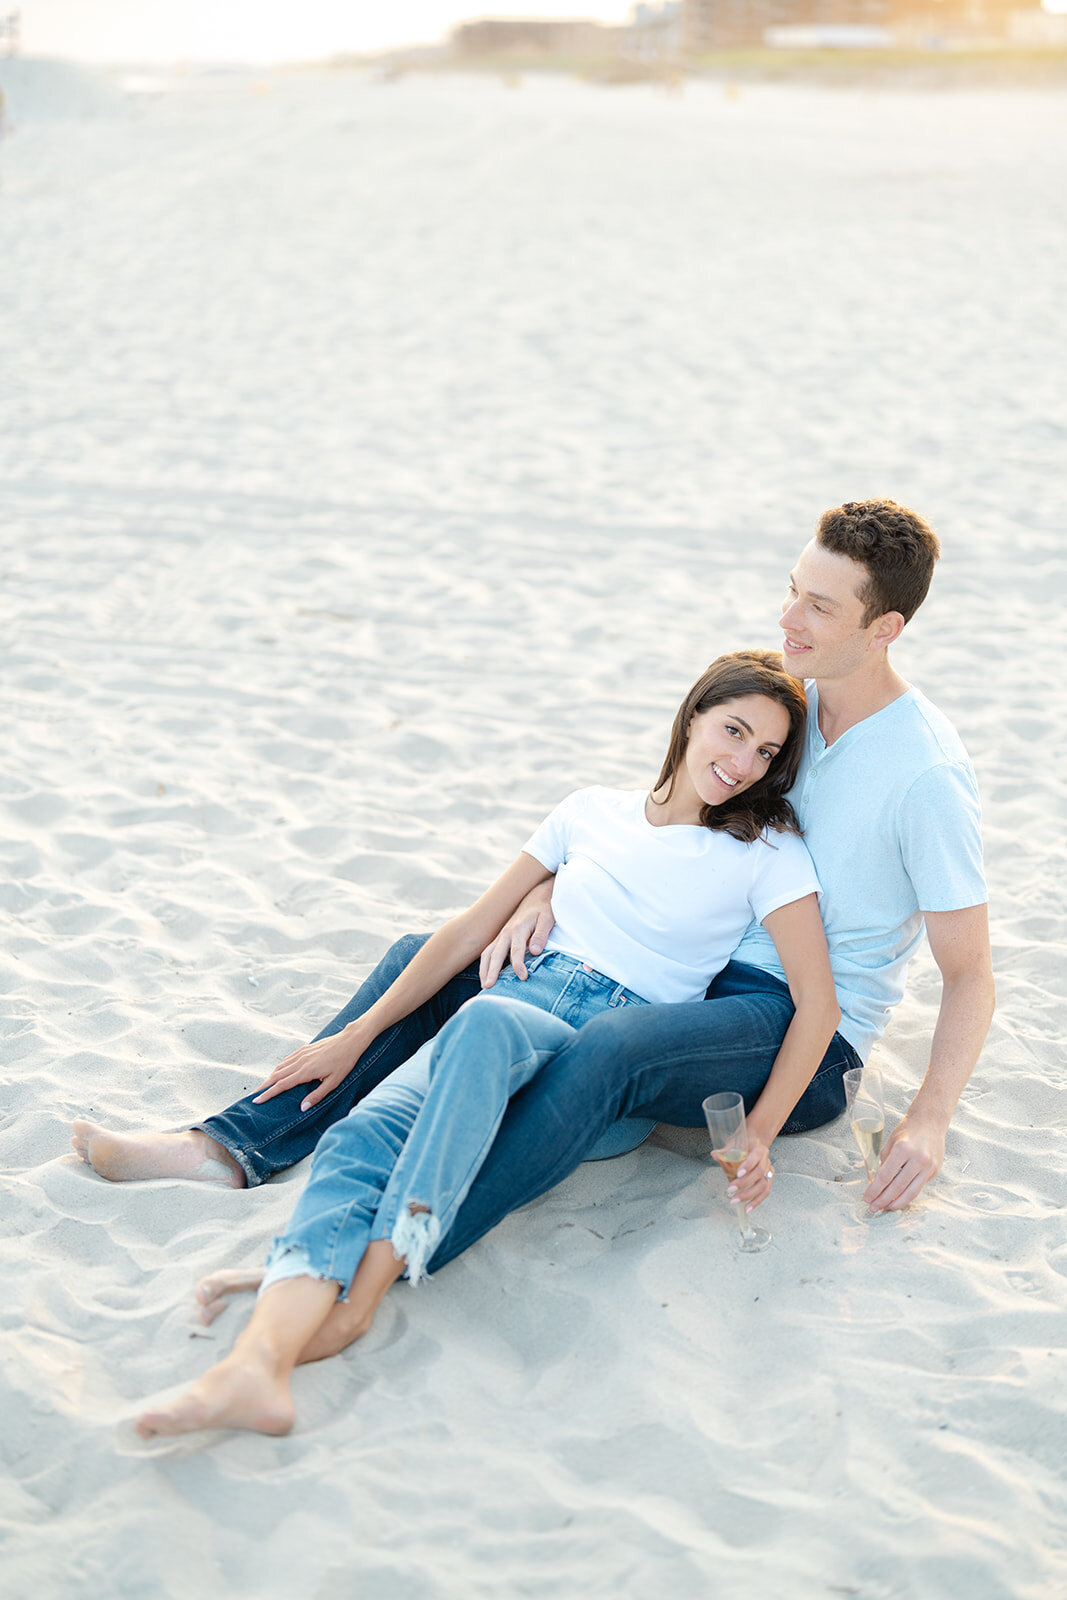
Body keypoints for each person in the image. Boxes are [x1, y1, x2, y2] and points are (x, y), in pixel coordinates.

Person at [129, 651, 840, 1437]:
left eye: (766, 753)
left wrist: (761, 1133)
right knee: (361, 1138)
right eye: (732, 731)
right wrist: (360, 1034)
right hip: (511, 1006)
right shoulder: (587, 812)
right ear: (691, 716)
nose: (742, 762)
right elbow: (471, 927)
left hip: (600, 1058)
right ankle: (255, 1366)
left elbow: (817, 1003)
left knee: (485, 1021)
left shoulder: (765, 849)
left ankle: (360, 1296)